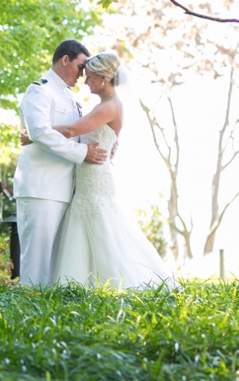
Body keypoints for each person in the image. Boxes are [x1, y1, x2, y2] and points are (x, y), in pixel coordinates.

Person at [24, 51, 177, 290]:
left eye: (91, 77)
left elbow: (72, 130)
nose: (86, 82)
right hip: (86, 175)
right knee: (91, 229)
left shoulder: (109, 106)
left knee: (104, 229)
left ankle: (123, 282)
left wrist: (34, 134)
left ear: (104, 78)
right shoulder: (104, 105)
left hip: (94, 175)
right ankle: (84, 283)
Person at [12, 39, 109, 286]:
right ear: (65, 60)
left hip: (66, 189)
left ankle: (49, 318)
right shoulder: (39, 90)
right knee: (37, 262)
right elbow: (41, 133)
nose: (83, 74)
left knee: (56, 264)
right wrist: (82, 153)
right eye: (80, 66)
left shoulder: (71, 99)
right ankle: (29, 314)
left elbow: (68, 132)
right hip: (41, 188)